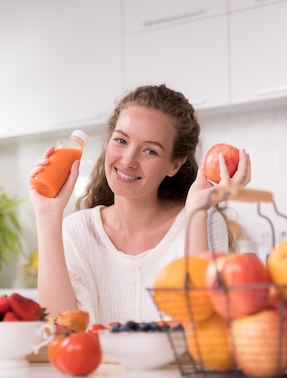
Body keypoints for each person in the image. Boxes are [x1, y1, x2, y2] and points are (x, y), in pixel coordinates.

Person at [28, 85, 251, 325]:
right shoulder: (76, 231)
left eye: (150, 151)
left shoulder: (203, 220)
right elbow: (60, 329)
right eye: (121, 140)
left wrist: (197, 211)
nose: (127, 160)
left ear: (174, 164)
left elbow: (206, 327)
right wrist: (47, 215)